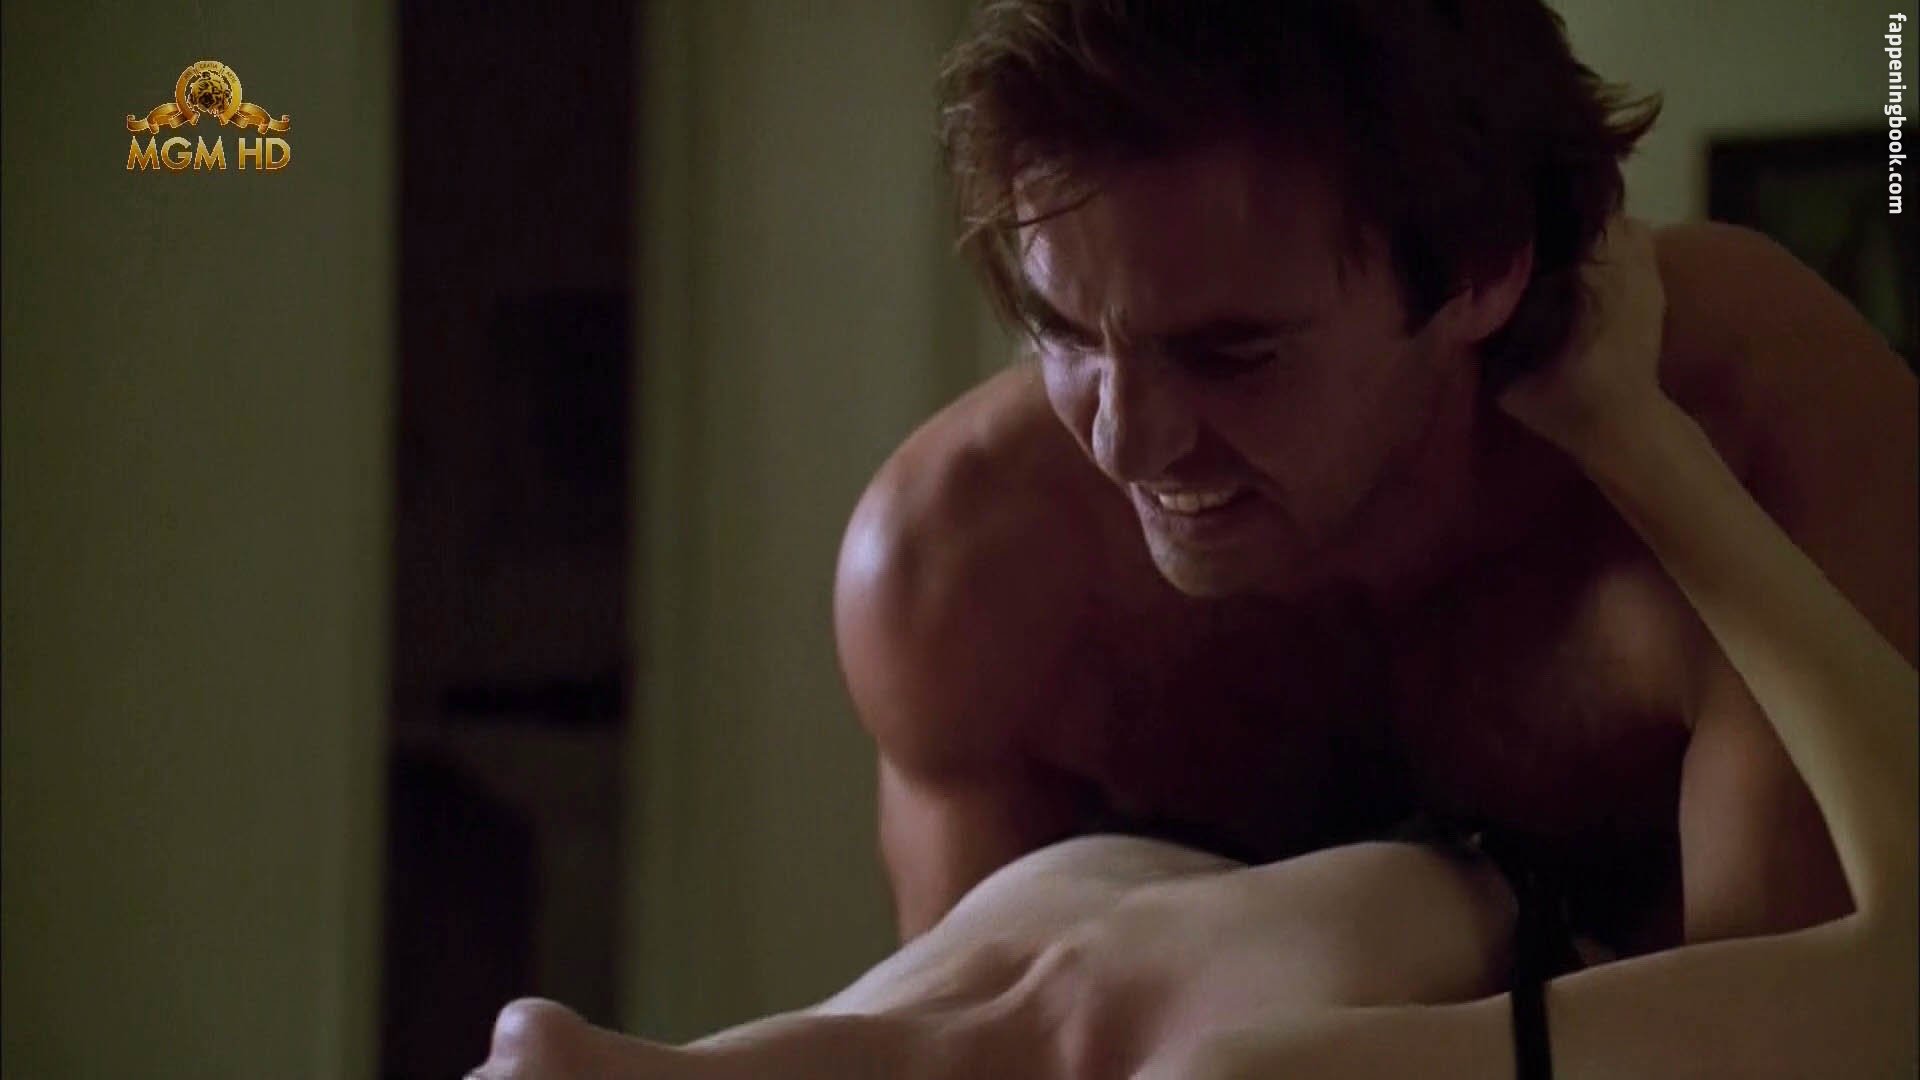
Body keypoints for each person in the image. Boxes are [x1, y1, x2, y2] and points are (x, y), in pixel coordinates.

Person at [470, 0, 1917, 1074]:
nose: (1126, 442)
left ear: (1482, 270)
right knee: (1068, 949)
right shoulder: (968, 564)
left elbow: (1834, 1015)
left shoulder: (1749, 423)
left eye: (1230, 354)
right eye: (1060, 328)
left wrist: (1642, 456)